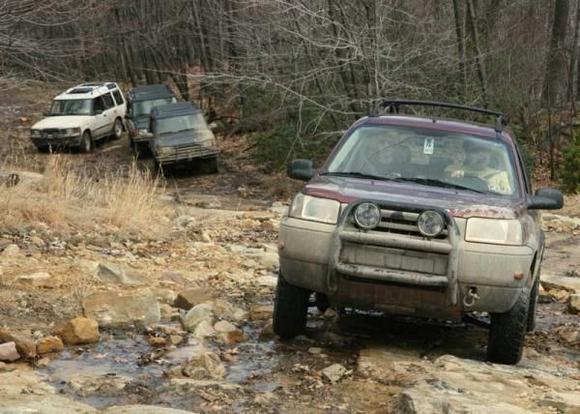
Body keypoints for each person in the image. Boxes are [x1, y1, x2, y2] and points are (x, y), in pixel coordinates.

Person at [445, 143, 512, 194]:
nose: (482, 155)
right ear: (467, 154)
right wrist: (457, 174)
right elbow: (444, 184)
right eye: (476, 151)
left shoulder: (500, 174)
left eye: (485, 151)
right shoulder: (454, 168)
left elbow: (506, 196)